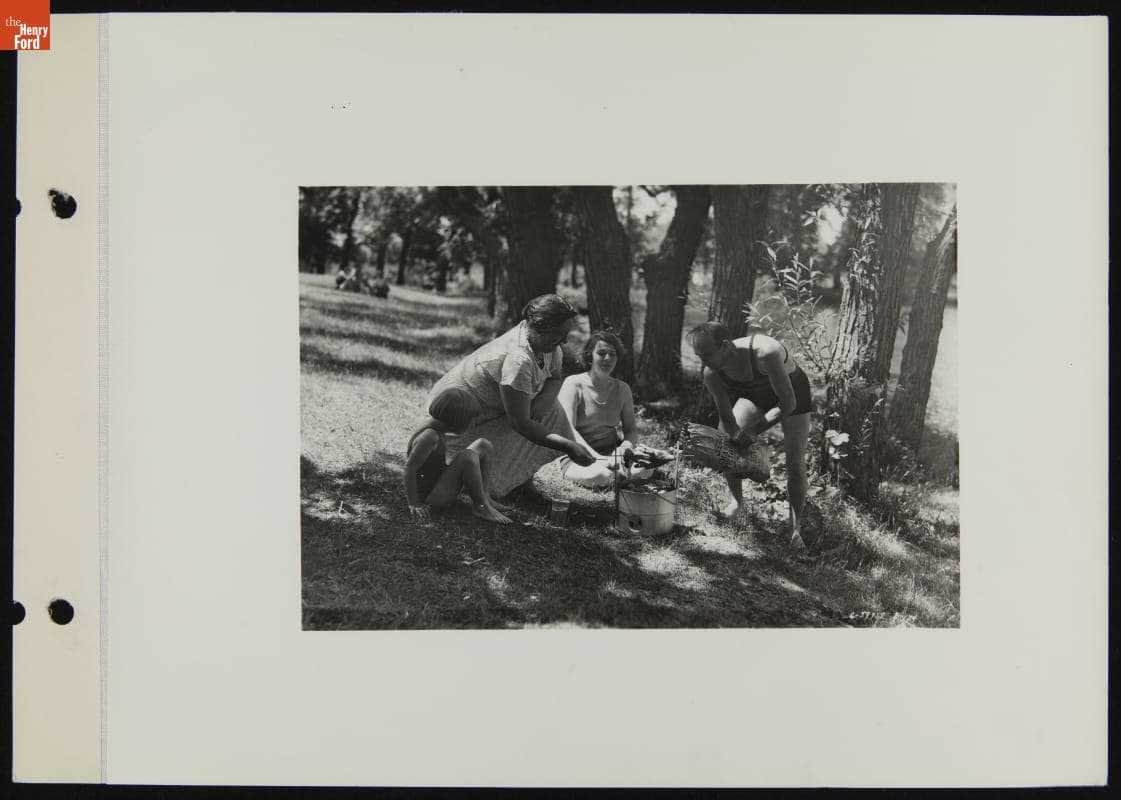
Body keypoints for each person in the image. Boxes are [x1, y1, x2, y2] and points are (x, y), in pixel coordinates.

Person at [425, 294, 596, 499]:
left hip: (490, 415)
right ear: (540, 327)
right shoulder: (518, 360)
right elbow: (520, 423)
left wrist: (544, 399)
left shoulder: (546, 345)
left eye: (566, 334)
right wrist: (568, 446)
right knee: (534, 422)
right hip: (452, 431)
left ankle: (521, 479)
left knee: (551, 409)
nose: (565, 341)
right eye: (560, 334)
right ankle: (481, 482)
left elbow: (555, 376)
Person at [688, 321, 813, 550]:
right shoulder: (711, 373)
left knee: (794, 461)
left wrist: (753, 432)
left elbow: (788, 402)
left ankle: (796, 530)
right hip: (756, 396)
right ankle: (737, 503)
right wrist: (737, 438)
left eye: (706, 355)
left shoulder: (766, 352)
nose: (703, 362)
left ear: (725, 346)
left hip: (793, 393)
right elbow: (727, 417)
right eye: (699, 356)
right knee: (725, 439)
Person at [404, 387, 511, 524]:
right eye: (470, 421)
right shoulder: (429, 437)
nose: (473, 425)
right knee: (467, 458)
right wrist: (414, 503)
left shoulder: (436, 427)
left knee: (483, 445)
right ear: (456, 421)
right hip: (430, 496)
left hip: (437, 482)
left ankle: (485, 497)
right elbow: (410, 469)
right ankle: (481, 507)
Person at [556, 330, 645, 488]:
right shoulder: (573, 384)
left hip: (612, 454)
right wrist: (599, 459)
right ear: (590, 356)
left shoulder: (623, 389)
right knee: (601, 475)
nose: (607, 358)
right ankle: (617, 477)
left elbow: (630, 430)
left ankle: (619, 475)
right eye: (602, 353)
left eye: (612, 354)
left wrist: (625, 447)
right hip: (577, 455)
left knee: (643, 469)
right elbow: (567, 430)